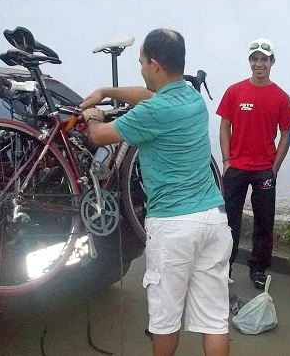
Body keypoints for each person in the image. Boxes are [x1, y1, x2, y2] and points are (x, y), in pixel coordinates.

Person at [81, 29, 232, 356]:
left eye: (140, 63)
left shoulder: (151, 114)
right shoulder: (191, 97)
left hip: (174, 227)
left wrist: (93, 115)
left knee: (165, 320)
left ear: (154, 64)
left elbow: (98, 136)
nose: (140, 69)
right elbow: (145, 95)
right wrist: (107, 90)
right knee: (214, 320)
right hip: (214, 222)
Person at [216, 38, 290, 289]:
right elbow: (224, 125)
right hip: (236, 167)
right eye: (255, 59)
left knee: (264, 221)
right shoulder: (234, 91)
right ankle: (224, 266)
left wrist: (275, 166)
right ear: (250, 61)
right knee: (228, 221)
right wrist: (227, 160)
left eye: (264, 59)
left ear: (272, 62)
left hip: (264, 170)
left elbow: (286, 134)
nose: (259, 64)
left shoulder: (281, 97)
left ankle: (258, 268)